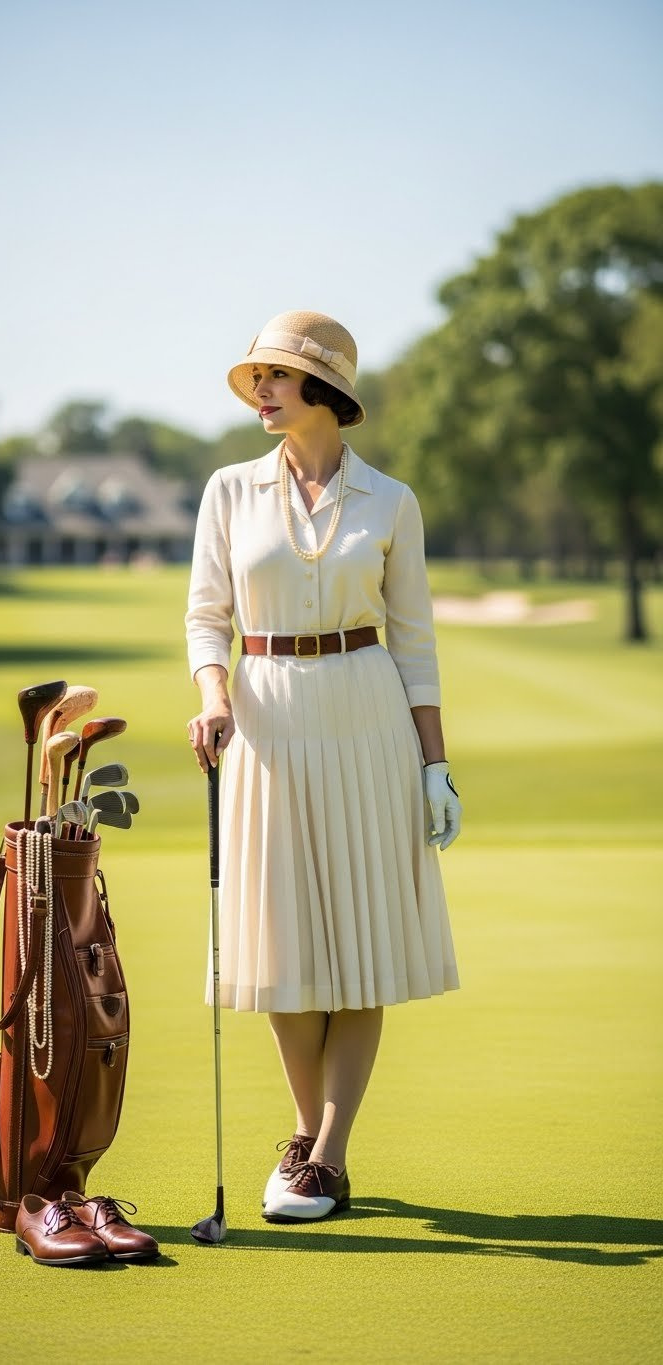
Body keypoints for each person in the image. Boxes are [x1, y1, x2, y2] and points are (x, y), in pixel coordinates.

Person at [185, 309, 461, 1223]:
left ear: (325, 391)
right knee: (282, 941)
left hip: (366, 713)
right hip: (264, 719)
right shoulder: (229, 489)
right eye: (258, 375)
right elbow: (206, 616)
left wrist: (435, 767)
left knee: (363, 943)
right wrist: (215, 694)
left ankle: (323, 1155)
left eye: (276, 375)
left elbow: (414, 644)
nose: (260, 389)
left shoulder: (392, 500)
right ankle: (312, 1146)